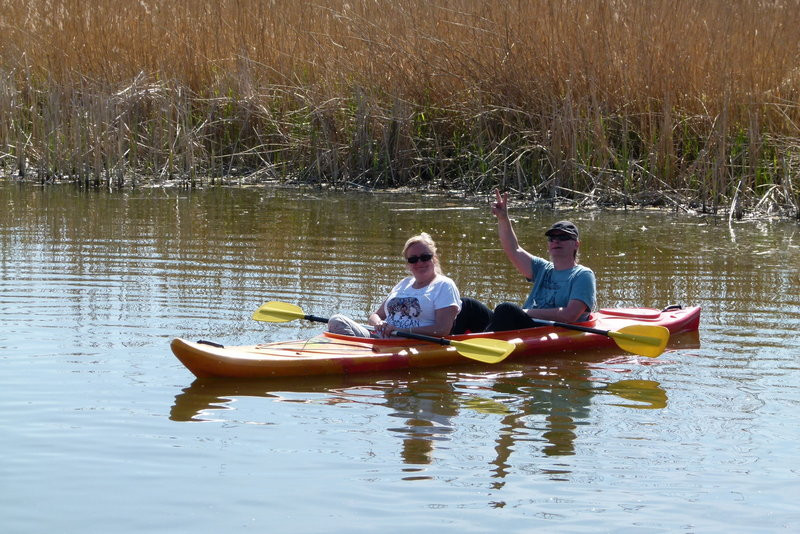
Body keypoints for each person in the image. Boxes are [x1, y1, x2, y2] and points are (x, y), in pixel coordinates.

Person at [455, 190, 596, 332]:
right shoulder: (543, 269)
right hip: (527, 325)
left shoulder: (582, 275)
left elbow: (569, 315)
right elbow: (513, 249)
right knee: (467, 305)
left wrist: (526, 312)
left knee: (506, 310)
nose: (556, 241)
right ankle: (448, 342)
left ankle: (482, 343)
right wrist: (503, 218)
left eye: (563, 237)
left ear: (576, 244)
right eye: (552, 238)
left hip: (547, 330)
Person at [327, 232, 462, 338]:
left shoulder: (444, 285)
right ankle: (356, 352)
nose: (420, 262)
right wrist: (378, 323)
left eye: (425, 257)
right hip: (381, 337)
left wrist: (402, 330)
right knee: (336, 320)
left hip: (412, 343)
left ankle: (358, 355)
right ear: (408, 264)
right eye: (413, 259)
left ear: (434, 258)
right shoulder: (404, 283)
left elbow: (442, 329)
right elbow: (376, 315)